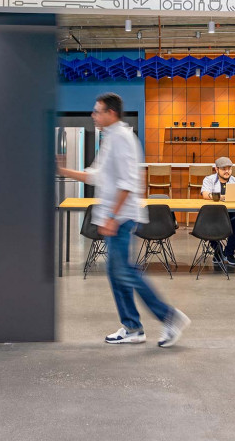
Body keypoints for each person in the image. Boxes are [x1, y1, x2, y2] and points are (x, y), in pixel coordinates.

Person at [57, 93, 190, 347]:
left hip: (120, 218)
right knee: (117, 273)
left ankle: (168, 316)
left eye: (97, 111)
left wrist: (112, 217)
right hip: (114, 218)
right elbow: (95, 176)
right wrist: (64, 171)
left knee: (125, 272)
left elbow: (129, 183)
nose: (93, 116)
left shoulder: (123, 139)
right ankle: (132, 327)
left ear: (111, 113)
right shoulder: (109, 140)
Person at [200, 156, 235, 267]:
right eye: (224, 169)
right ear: (216, 169)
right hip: (213, 215)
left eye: (229, 169)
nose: (227, 171)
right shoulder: (209, 179)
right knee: (208, 223)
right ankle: (218, 250)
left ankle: (229, 253)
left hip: (231, 215)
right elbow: (205, 194)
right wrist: (221, 197)